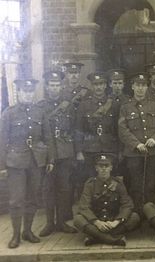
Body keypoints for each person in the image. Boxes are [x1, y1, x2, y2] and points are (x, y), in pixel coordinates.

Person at [0, 79, 54, 248]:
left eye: (31, 91)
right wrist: (1, 165)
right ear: (19, 93)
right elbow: (2, 140)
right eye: (25, 91)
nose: (28, 94)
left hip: (36, 161)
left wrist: (50, 159)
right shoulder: (9, 113)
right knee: (16, 200)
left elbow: (48, 137)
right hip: (15, 162)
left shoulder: (40, 112)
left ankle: (28, 231)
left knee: (32, 198)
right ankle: (15, 235)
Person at [118, 73, 155, 213]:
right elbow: (122, 129)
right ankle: (138, 214)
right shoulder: (125, 107)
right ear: (132, 87)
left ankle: (151, 213)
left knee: (151, 184)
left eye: (143, 85)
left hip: (153, 152)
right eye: (137, 85)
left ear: (147, 87)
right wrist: (136, 144)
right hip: (133, 153)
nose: (140, 89)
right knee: (135, 184)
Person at [38, 70, 77, 237]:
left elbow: (75, 128)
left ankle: (61, 222)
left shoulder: (69, 106)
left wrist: (75, 151)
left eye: (57, 85)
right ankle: (49, 223)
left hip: (65, 153)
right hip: (48, 155)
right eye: (51, 85)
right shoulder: (40, 107)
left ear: (62, 87)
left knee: (64, 188)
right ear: (47, 87)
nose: (55, 88)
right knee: (48, 189)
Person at [74, 153, 140, 246]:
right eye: (101, 166)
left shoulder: (118, 183)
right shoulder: (90, 184)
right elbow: (84, 206)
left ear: (111, 168)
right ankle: (113, 239)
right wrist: (96, 222)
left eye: (106, 166)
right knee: (78, 219)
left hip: (113, 222)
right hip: (96, 222)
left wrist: (116, 222)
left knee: (134, 217)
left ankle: (95, 237)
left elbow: (127, 205)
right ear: (96, 168)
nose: (104, 169)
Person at [74, 72, 120, 187]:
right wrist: (79, 151)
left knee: (110, 181)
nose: (98, 87)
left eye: (101, 84)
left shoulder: (114, 105)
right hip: (90, 148)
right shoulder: (84, 105)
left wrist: (120, 150)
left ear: (105, 85)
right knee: (90, 180)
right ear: (92, 86)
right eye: (95, 84)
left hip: (109, 147)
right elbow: (79, 129)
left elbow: (118, 129)